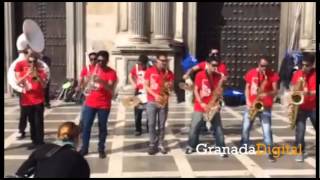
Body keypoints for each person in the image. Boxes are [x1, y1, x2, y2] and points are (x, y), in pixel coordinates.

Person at [185, 56, 228, 158]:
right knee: (194, 127)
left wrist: (218, 104)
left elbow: (220, 93)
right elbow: (196, 90)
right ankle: (191, 145)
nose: (215, 68)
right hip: (200, 106)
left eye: (216, 66)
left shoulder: (218, 76)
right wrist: (201, 103)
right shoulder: (200, 75)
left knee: (218, 128)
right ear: (207, 65)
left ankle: (221, 148)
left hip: (213, 106)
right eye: (213, 65)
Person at [15, 122, 90, 178]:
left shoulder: (42, 148)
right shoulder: (78, 158)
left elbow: (21, 172)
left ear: (58, 136)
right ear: (77, 138)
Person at [240, 56, 279, 162]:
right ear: (258, 64)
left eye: (266, 66)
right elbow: (247, 87)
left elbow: (275, 91)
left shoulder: (272, 75)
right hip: (252, 104)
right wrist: (247, 101)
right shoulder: (251, 73)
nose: (264, 68)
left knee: (267, 129)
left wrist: (266, 93)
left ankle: (270, 151)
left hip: (265, 106)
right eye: (262, 66)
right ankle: (244, 145)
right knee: (245, 127)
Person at [79, 50, 118, 159]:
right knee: (86, 126)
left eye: (102, 61)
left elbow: (111, 88)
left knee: (102, 127)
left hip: (104, 104)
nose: (99, 63)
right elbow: (84, 84)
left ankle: (101, 148)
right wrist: (86, 82)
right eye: (98, 60)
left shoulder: (111, 73)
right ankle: (84, 148)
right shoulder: (92, 69)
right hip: (90, 102)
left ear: (107, 61)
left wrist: (101, 81)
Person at [15, 50, 48, 150]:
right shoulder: (23, 70)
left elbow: (44, 85)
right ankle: (34, 141)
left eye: (33, 61)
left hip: (38, 100)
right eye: (29, 61)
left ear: (36, 62)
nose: (31, 63)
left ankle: (40, 141)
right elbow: (17, 82)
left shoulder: (41, 70)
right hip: (27, 100)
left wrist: (38, 76)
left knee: (39, 121)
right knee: (31, 121)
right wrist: (26, 74)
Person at [144, 53, 174, 155]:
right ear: (157, 61)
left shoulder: (169, 73)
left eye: (165, 61)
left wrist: (169, 86)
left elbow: (171, 88)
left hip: (163, 101)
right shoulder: (149, 71)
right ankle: (152, 143)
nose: (164, 62)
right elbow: (146, 86)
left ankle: (161, 143)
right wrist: (155, 95)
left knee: (161, 125)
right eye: (162, 60)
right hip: (152, 100)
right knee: (151, 124)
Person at [290, 52, 316, 162]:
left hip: (314, 107)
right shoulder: (297, 74)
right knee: (300, 131)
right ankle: (300, 152)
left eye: (307, 65)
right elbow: (293, 88)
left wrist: (309, 92)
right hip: (300, 108)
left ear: (312, 65)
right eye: (303, 64)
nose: (304, 67)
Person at [128, 55, 149, 136]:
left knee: (149, 111)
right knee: (137, 112)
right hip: (138, 92)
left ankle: (149, 127)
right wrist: (133, 84)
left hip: (147, 92)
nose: (140, 65)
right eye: (139, 63)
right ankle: (138, 129)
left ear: (145, 63)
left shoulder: (150, 68)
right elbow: (130, 76)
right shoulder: (136, 67)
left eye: (141, 64)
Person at [76, 52, 97, 130]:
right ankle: (81, 127)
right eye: (91, 59)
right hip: (88, 93)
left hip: (98, 93)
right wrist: (78, 86)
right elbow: (81, 78)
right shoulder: (86, 69)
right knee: (84, 110)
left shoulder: (100, 68)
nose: (93, 61)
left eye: (95, 59)